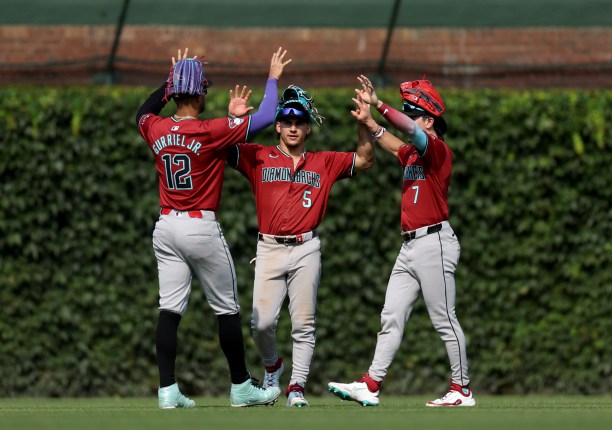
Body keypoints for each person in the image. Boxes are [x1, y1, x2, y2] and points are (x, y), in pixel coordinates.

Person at [135, 47, 291, 408]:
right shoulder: (210, 130)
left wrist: (167, 82)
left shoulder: (156, 128)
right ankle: (241, 386)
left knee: (169, 310)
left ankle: (168, 391)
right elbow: (268, 114)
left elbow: (142, 113)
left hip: (166, 226)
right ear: (200, 92)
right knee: (227, 309)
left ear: (174, 93)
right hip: (199, 227)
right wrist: (272, 77)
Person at [327, 75, 476, 407]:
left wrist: (379, 105)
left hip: (434, 241)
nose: (409, 115)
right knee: (390, 315)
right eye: (407, 111)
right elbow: (396, 144)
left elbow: (408, 132)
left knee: (444, 319)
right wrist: (369, 122)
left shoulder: (436, 150)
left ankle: (461, 390)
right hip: (410, 246)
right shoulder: (413, 154)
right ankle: (371, 384)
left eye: (414, 111)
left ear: (430, 120)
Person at [228, 85, 375, 407]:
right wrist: (233, 119)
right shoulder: (258, 155)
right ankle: (273, 365)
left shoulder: (324, 161)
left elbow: (365, 160)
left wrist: (363, 122)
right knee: (261, 323)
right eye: (286, 120)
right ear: (277, 125)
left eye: (299, 121)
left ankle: (297, 386)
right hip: (269, 247)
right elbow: (224, 149)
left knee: (303, 322)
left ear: (308, 127)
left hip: (306, 247)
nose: (293, 126)